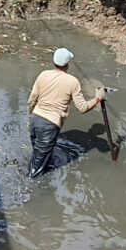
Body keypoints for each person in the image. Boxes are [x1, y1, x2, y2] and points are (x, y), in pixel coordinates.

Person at [26, 48, 105, 178]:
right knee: (36, 170)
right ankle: (33, 191)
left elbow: (31, 100)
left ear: (54, 62)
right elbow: (83, 108)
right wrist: (98, 99)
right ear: (68, 64)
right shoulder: (72, 82)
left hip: (35, 119)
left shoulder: (43, 74)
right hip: (50, 125)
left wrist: (31, 117)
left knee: (38, 156)